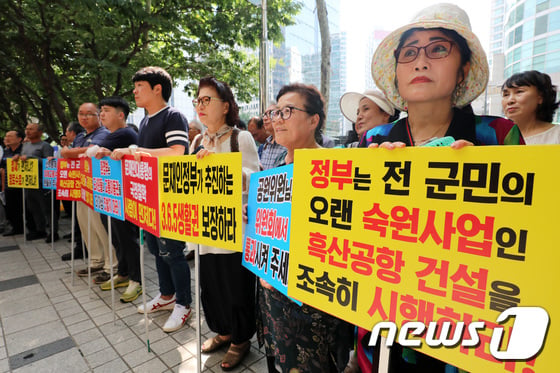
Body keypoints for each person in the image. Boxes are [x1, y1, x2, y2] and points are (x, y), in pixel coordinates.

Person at [364, 4, 525, 372]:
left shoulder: (497, 137)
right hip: (386, 317)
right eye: (409, 52)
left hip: (467, 324)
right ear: (398, 71)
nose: (421, 62)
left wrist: (485, 184)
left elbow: (529, 234)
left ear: (463, 69)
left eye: (438, 48)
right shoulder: (372, 141)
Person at [256, 83, 353, 373]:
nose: (278, 118)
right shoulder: (272, 173)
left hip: (314, 303)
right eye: (275, 112)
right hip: (272, 295)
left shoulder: (335, 169)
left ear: (314, 120)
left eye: (288, 110)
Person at [111, 66, 192, 332]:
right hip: (148, 199)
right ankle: (166, 295)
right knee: (156, 251)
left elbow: (177, 152)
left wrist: (136, 150)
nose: (134, 91)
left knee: (174, 253)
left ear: (158, 89)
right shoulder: (145, 120)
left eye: (140, 87)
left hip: (170, 198)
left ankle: (183, 303)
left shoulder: (173, 116)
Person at [194, 76, 259, 371]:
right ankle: (223, 331)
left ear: (226, 106)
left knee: (236, 286)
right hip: (205, 226)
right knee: (211, 285)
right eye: (198, 100)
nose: (200, 105)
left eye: (207, 100)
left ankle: (240, 339)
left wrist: (219, 166)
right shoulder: (196, 141)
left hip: (234, 229)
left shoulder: (240, 138)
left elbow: (254, 181)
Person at [92, 96, 142, 303]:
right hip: (109, 195)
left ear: (120, 115)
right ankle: (123, 273)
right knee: (115, 236)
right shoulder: (111, 135)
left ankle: (136, 280)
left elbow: (91, 151)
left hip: (123, 197)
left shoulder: (124, 133)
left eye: (106, 110)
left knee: (126, 238)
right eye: (101, 110)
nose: (101, 114)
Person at [61, 102, 117, 282]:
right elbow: (73, 153)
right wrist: (71, 152)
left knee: (101, 227)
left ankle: (111, 265)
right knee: (86, 226)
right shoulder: (81, 136)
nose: (84, 117)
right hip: (82, 187)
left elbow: (87, 152)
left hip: (99, 189)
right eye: (80, 114)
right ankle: (95, 261)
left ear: (98, 116)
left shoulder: (104, 133)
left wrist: (70, 152)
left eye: (89, 114)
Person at [13, 123, 54, 241]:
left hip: (42, 182)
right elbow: (22, 159)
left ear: (40, 132)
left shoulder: (45, 146)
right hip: (29, 182)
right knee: (33, 208)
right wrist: (17, 158)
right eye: (26, 129)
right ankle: (40, 230)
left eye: (31, 129)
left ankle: (53, 231)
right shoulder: (25, 146)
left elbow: (49, 163)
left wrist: (33, 159)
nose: (28, 131)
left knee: (47, 208)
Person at [502, 70, 560, 144]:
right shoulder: (493, 138)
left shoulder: (557, 135)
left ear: (541, 97)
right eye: (506, 95)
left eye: (519, 92)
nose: (510, 101)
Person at [1, 130, 24, 236]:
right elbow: (2, 167)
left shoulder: (24, 150)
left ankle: (31, 228)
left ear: (19, 139)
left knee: (23, 208)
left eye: (10, 136)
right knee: (10, 208)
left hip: (22, 184)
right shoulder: (7, 151)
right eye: (6, 136)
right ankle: (16, 228)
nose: (7, 138)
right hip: (8, 184)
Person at [258, 103, 287, 170]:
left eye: (271, 113)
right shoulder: (264, 147)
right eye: (264, 115)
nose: (265, 118)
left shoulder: (289, 146)